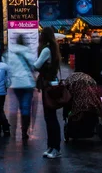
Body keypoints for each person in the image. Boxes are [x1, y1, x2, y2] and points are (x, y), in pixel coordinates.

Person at [34, 27, 62, 160]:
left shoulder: (45, 49)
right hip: (53, 84)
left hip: (47, 85)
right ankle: (52, 146)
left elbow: (37, 65)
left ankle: (54, 147)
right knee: (51, 117)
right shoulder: (53, 48)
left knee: (50, 117)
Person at [8, 34, 35, 140]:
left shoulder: (10, 53)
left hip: (15, 83)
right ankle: (24, 132)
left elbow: (8, 68)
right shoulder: (28, 52)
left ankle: (13, 131)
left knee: (18, 105)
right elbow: (34, 66)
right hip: (27, 83)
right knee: (26, 107)